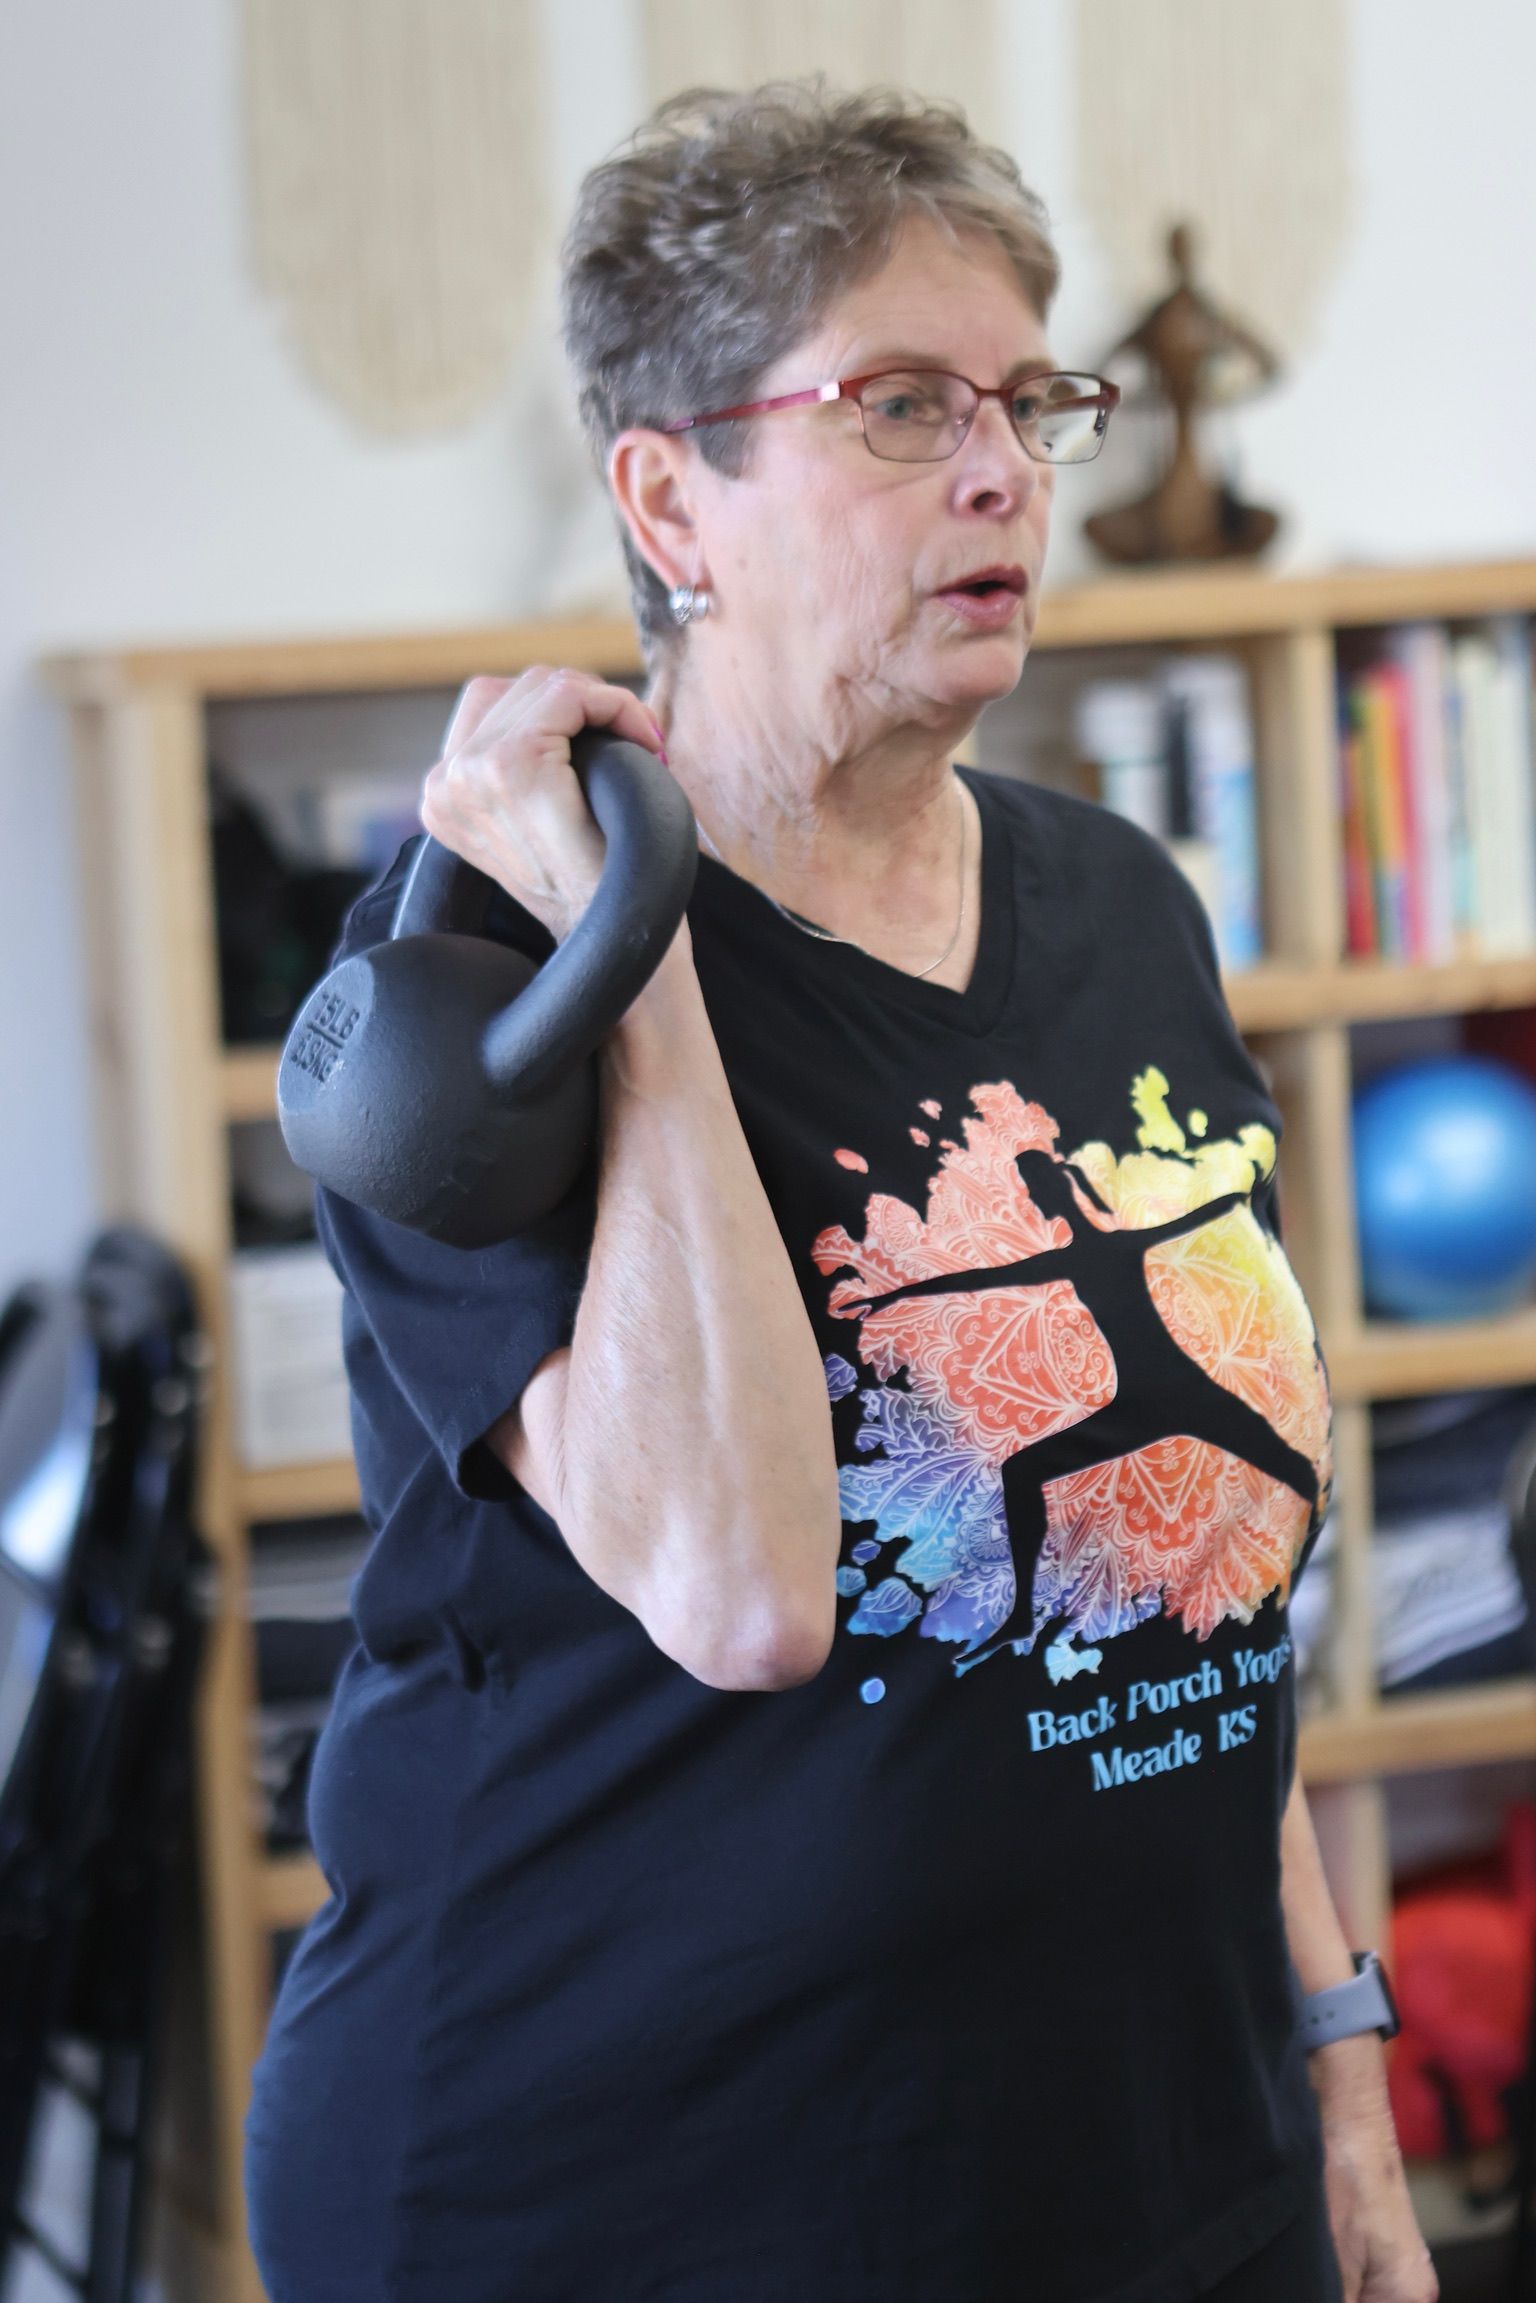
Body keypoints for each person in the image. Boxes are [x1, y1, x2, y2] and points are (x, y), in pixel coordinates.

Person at [244, 80, 1437, 2303]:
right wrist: (646, 937)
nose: (1003, 471)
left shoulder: (1116, 900)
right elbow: (740, 1589)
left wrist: (1342, 2063)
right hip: (648, 2195)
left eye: (1027, 400)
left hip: (1163, 2161)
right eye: (901, 404)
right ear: (668, 496)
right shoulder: (466, 971)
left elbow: (1184, 1571)